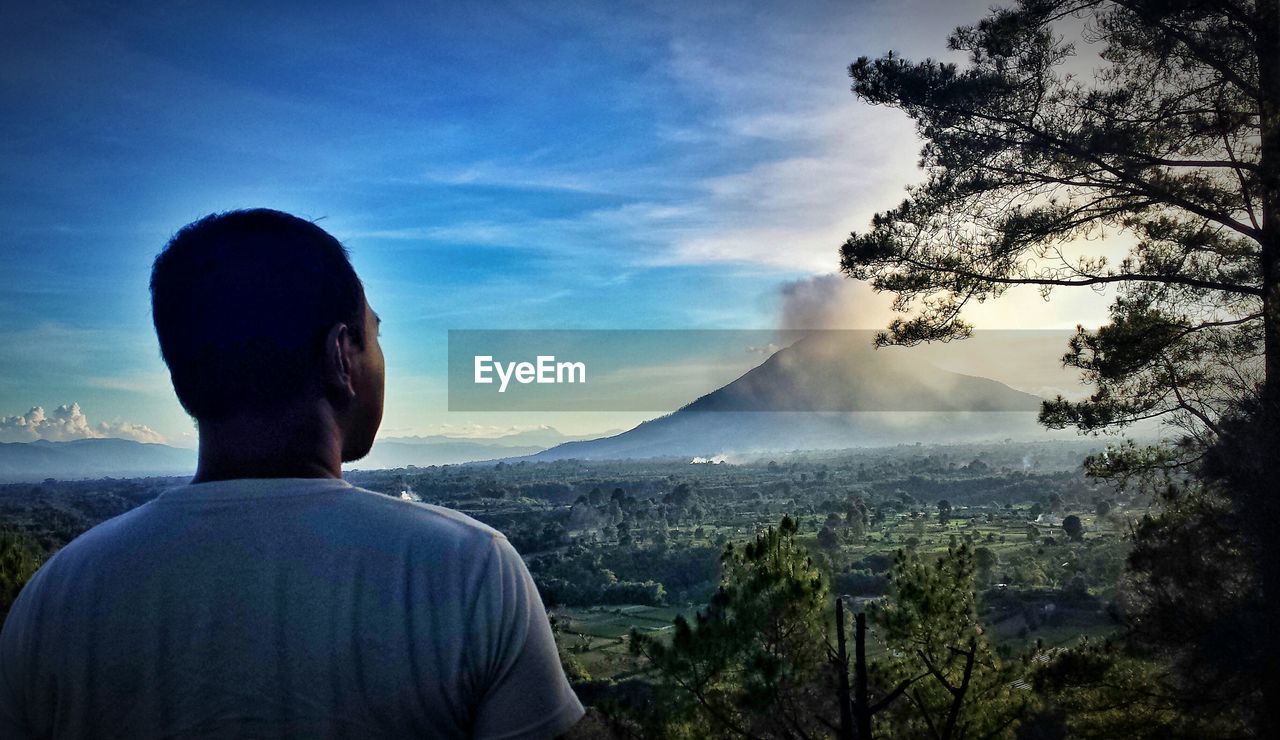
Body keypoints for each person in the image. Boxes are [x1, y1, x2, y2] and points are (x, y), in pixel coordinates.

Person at [0, 209, 584, 738]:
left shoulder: (57, 597)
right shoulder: (468, 570)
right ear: (340, 355)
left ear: (181, 381)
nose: (380, 358)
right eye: (374, 337)